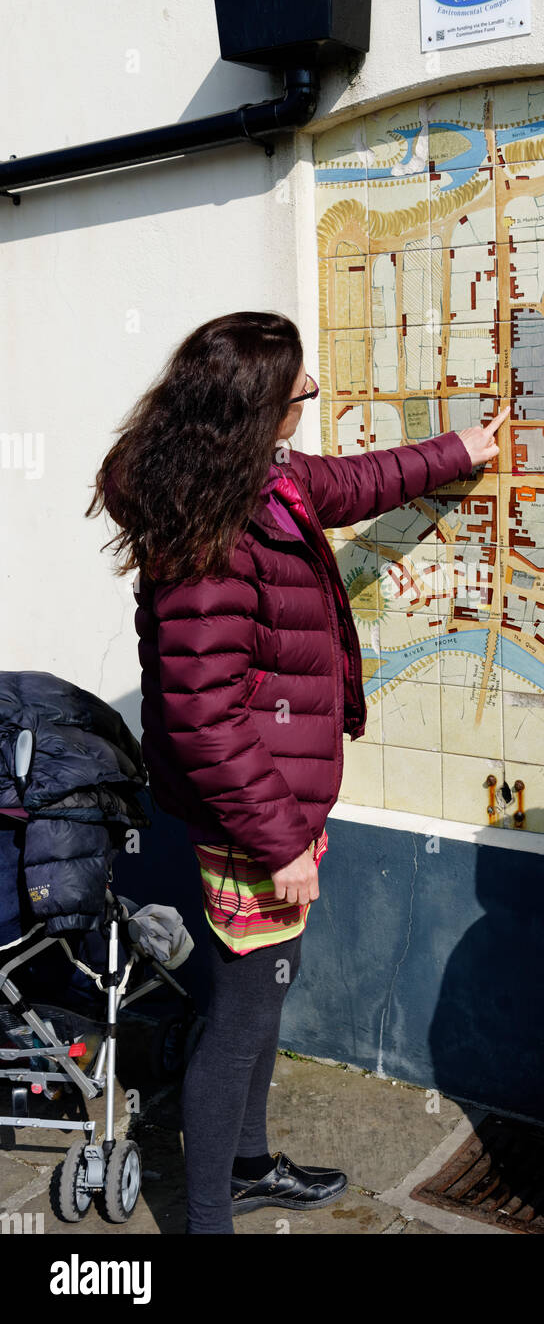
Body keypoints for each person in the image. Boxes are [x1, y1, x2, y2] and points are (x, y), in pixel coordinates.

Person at [88, 310, 508, 1233]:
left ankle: (243, 1165)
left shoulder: (255, 481)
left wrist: (456, 449)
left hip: (275, 798)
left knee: (263, 992)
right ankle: (209, 1216)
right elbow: (203, 715)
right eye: (298, 391)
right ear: (253, 410)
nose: (310, 400)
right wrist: (279, 842)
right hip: (252, 815)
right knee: (240, 1013)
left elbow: (349, 481)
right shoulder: (209, 537)